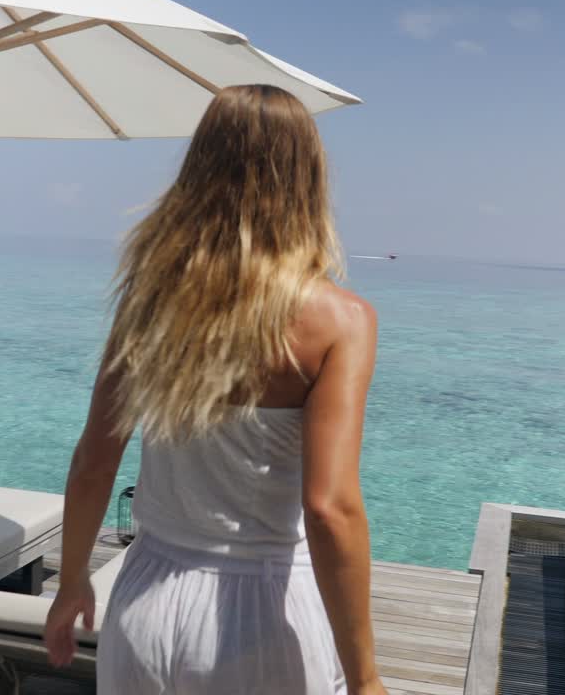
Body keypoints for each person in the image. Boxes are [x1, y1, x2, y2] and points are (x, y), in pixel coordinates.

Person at [44, 84, 384, 695]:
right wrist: (366, 680)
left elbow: (95, 459)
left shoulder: (147, 302)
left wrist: (72, 583)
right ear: (308, 179)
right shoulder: (341, 320)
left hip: (145, 603)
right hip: (267, 614)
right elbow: (330, 508)